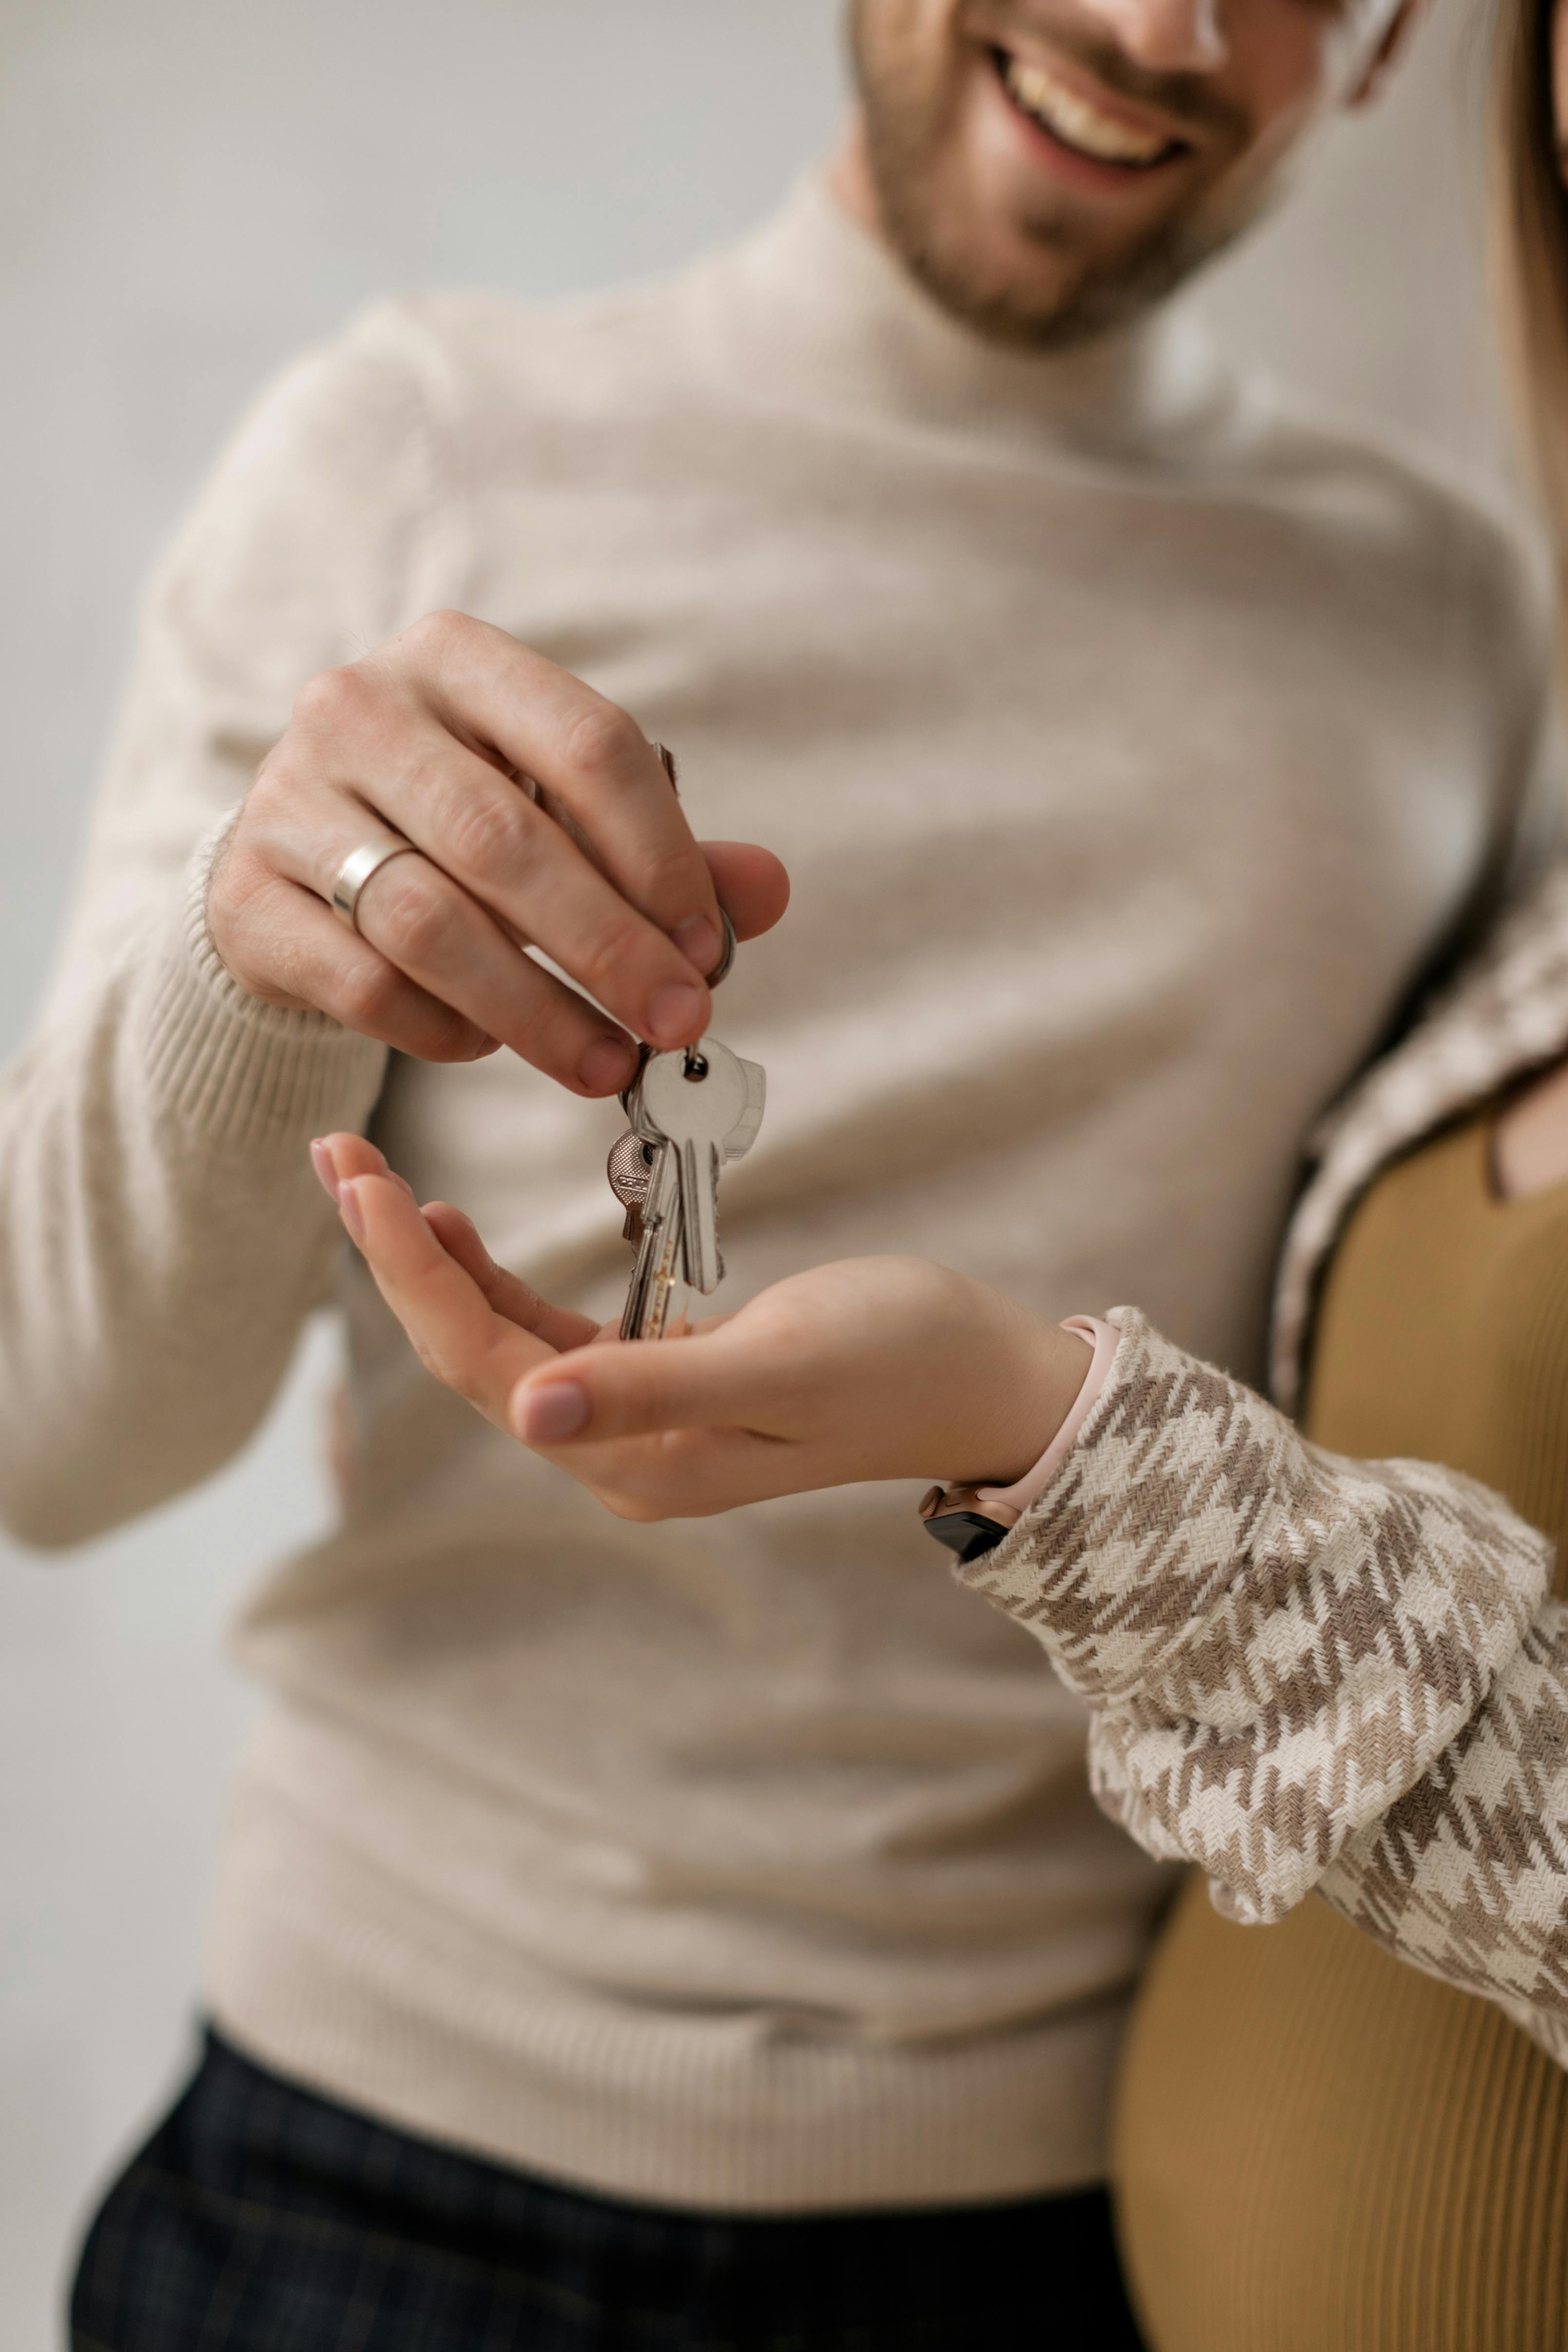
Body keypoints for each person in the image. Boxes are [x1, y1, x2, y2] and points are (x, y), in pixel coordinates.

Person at [26, 0, 1533, 2345]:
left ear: (1382, 48)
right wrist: (244, 959)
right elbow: (48, 1438)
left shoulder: (1452, 628)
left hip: (1072, 2220)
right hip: (372, 2172)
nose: (1153, 27)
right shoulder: (412, 450)